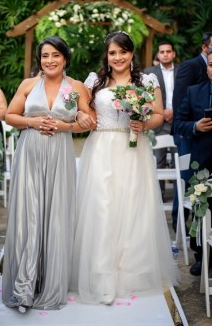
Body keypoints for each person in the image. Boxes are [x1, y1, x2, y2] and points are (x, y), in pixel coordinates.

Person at [70, 31, 179, 305]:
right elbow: (81, 111)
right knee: (103, 206)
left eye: (123, 52)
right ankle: (101, 275)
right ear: (106, 56)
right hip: (102, 148)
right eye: (112, 53)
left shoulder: (147, 81)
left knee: (133, 206)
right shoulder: (94, 81)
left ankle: (131, 274)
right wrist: (81, 115)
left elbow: (157, 114)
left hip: (133, 149)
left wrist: (144, 124)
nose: (118, 57)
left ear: (132, 54)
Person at [2, 36, 96, 312]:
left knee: (55, 215)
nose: (50, 60)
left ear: (65, 58)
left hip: (59, 155)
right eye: (45, 56)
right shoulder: (28, 85)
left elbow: (87, 121)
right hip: (30, 152)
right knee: (29, 215)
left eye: (55, 55)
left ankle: (50, 281)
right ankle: (24, 287)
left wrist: (68, 125)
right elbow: (10, 115)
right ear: (40, 60)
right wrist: (31, 121)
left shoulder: (76, 87)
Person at [172, 31, 211, 275]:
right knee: (200, 208)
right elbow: (178, 123)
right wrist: (195, 126)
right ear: (207, 67)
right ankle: (202, 255)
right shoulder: (194, 91)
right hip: (203, 162)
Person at [145, 42, 179, 205]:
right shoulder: (149, 73)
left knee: (178, 158)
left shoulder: (182, 71)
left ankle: (179, 197)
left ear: (174, 54)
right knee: (158, 161)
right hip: (158, 122)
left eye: (168, 51)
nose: (165, 54)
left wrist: (174, 111)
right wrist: (161, 112)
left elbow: (186, 94)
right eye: (162, 52)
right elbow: (146, 98)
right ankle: (159, 198)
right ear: (157, 55)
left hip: (178, 122)